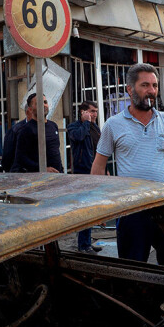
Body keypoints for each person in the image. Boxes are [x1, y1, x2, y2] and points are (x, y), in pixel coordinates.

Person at [91, 63, 164, 268]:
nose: (151, 91)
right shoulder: (113, 124)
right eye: (145, 85)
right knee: (133, 269)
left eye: (154, 85)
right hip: (132, 210)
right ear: (130, 89)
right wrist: (98, 206)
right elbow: (98, 167)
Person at [68, 101, 102, 253]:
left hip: (94, 172)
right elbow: (79, 137)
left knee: (92, 209)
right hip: (82, 172)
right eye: (91, 111)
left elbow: (99, 150)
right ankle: (83, 245)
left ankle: (87, 242)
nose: (94, 114)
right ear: (82, 112)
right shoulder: (74, 127)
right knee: (84, 210)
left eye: (95, 111)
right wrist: (86, 123)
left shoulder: (95, 127)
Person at [12, 93, 64, 173]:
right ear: (30, 109)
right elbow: (20, 158)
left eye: (45, 102)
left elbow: (55, 152)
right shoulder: (26, 129)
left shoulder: (53, 126)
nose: (43, 105)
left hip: (57, 176)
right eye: (39, 103)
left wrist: (61, 171)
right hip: (39, 179)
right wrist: (42, 169)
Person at [1, 106, 32, 172]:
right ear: (28, 112)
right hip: (20, 173)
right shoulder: (16, 130)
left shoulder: (47, 128)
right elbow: (7, 156)